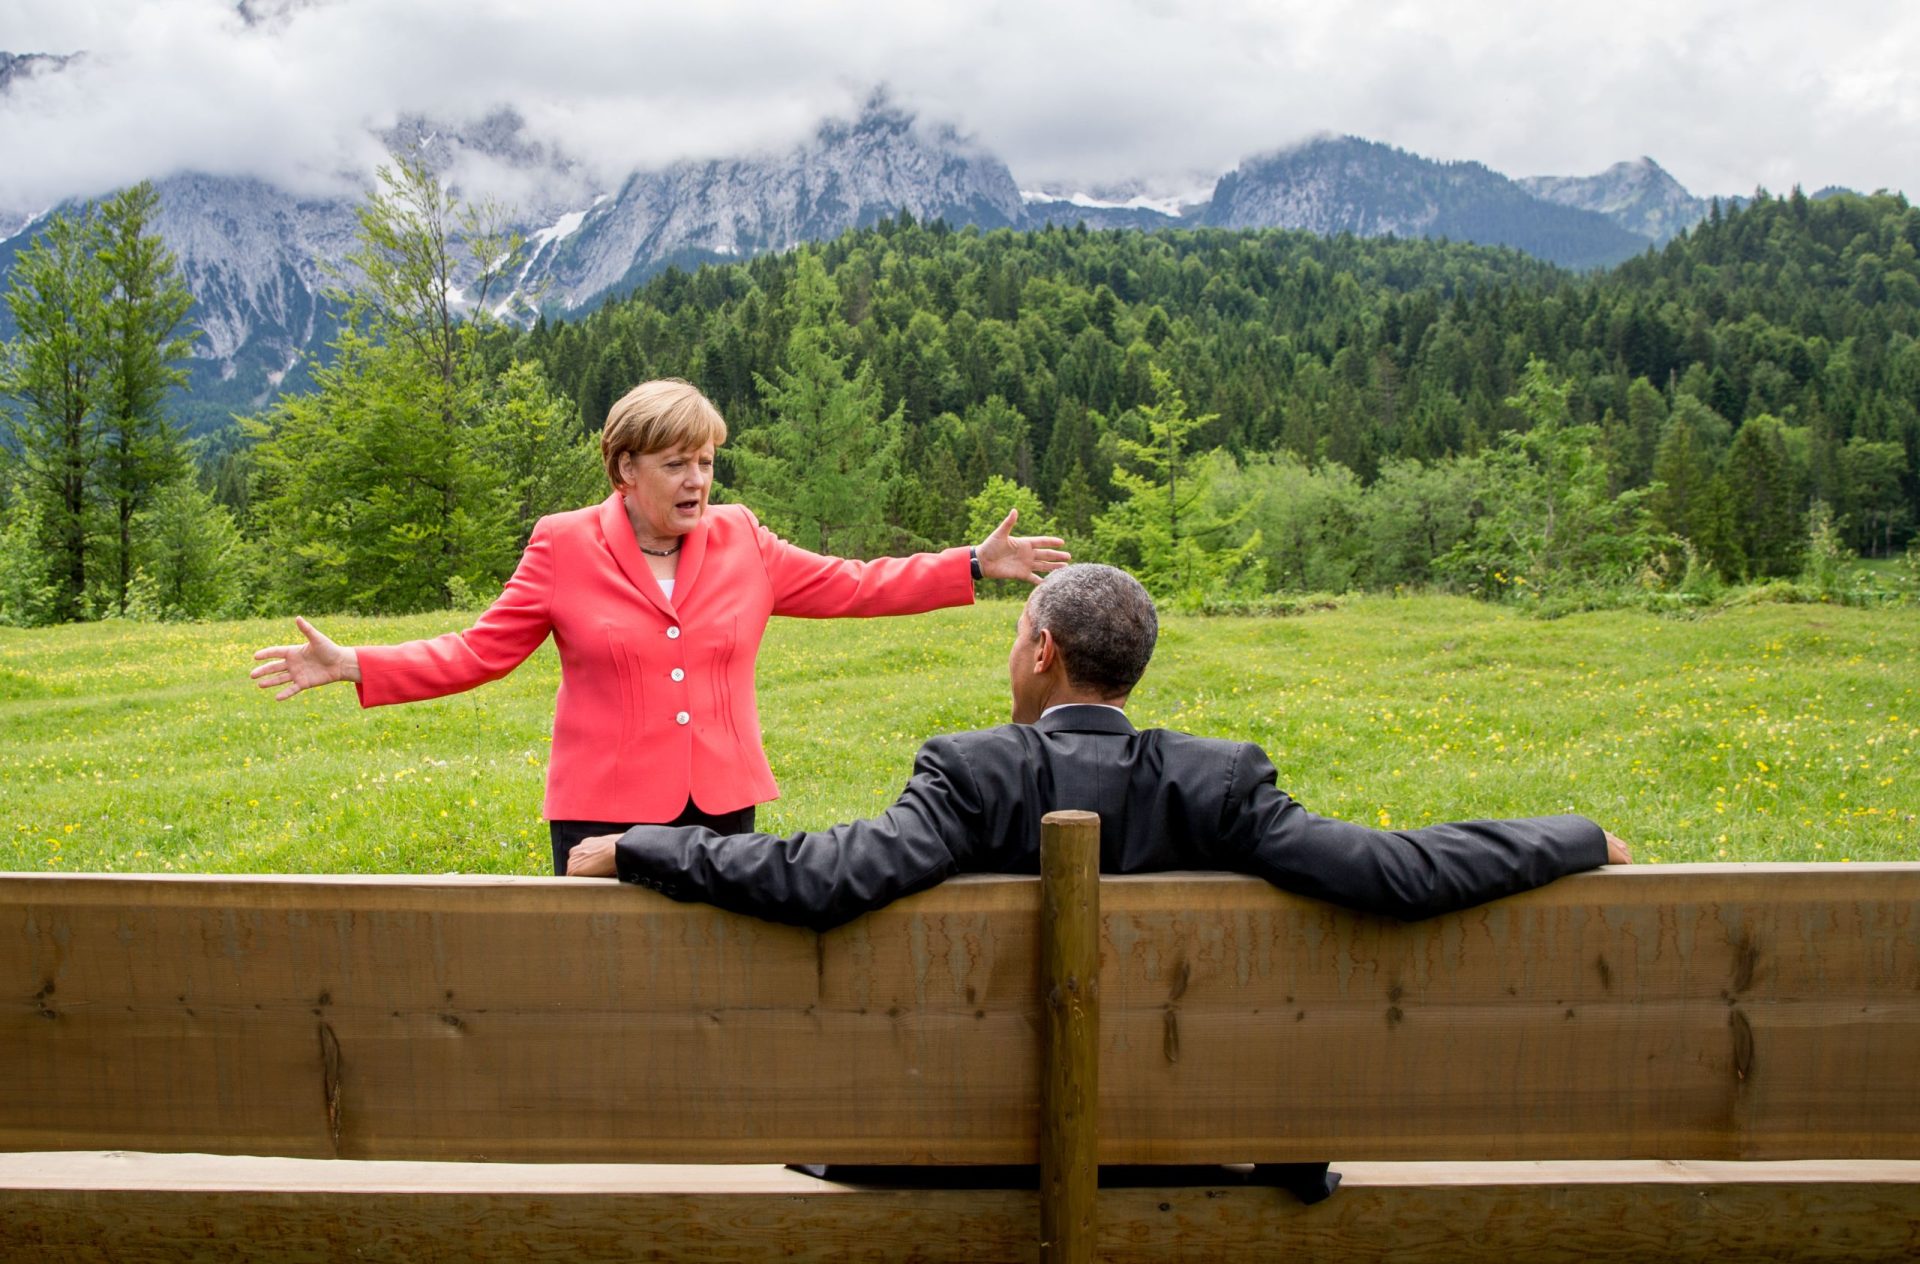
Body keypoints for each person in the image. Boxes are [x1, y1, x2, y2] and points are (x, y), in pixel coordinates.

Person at [249, 378, 1070, 878]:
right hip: (601, 810)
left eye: (707, 461)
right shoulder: (562, 544)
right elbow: (478, 650)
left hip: (721, 806)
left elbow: (852, 584)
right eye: (677, 462)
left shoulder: (744, 537)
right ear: (625, 468)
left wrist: (967, 563)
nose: (698, 480)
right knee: (604, 989)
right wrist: (356, 663)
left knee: (714, 981)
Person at [566, 562, 1630, 929]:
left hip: (964, 1146)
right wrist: (1576, 835)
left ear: (1040, 650)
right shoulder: (1222, 781)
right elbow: (1398, 870)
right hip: (1186, 1134)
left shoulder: (970, 772)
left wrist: (645, 844)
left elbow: (824, 876)